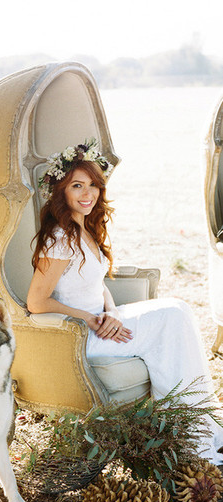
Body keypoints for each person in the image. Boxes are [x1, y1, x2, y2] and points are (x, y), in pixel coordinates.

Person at [27, 139, 223, 465]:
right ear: (61, 191)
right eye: (77, 185)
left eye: (93, 185)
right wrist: (89, 319)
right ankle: (188, 439)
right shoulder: (60, 239)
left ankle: (198, 427)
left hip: (104, 323)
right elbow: (37, 301)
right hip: (83, 336)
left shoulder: (85, 228)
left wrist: (113, 312)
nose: (88, 193)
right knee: (173, 316)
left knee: (178, 311)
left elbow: (99, 284)